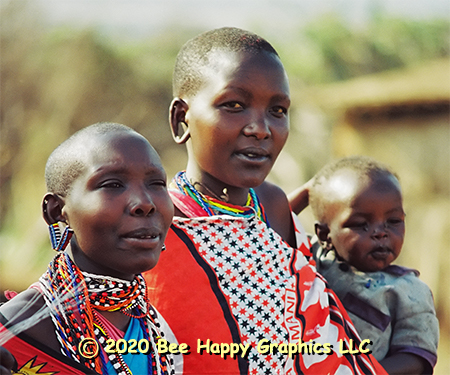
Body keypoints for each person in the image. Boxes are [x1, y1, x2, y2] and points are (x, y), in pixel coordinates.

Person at [145, 27, 386, 375]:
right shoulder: (155, 222)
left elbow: (307, 325)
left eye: (277, 110)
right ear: (181, 118)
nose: (261, 128)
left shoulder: (273, 206)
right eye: (234, 105)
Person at [0, 123, 175, 375]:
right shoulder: (14, 333)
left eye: (156, 183)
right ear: (56, 211)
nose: (145, 204)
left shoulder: (161, 333)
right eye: (113, 184)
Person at [291, 155, 439, 375]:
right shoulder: (314, 258)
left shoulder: (410, 293)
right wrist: (307, 191)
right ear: (325, 235)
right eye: (361, 224)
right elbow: (266, 223)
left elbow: (417, 357)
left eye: (394, 221)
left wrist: (360, 371)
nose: (381, 233)